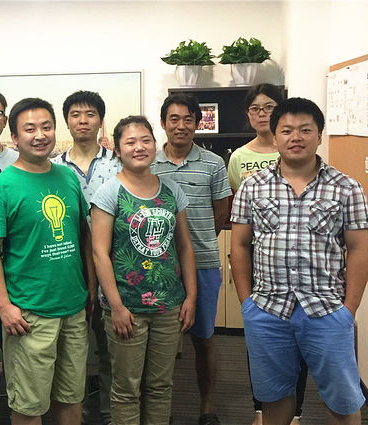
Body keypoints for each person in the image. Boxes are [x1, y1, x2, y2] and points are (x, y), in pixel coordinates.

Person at [231, 97, 368, 425]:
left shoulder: (347, 188)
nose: (296, 137)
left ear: (319, 134)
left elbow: (360, 250)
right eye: (287, 130)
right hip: (267, 311)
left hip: (327, 310)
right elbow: (239, 245)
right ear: (275, 136)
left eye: (305, 130)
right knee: (274, 399)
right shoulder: (252, 187)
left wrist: (348, 309)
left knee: (342, 401)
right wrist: (247, 304)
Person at [0, 97, 96, 425]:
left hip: (73, 308)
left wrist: (91, 287)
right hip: (29, 312)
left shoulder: (67, 177)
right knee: (29, 407)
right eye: (29, 129)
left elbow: (83, 234)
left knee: (71, 398)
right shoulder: (0, 186)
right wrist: (4, 307)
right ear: (14, 137)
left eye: (47, 127)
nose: (40, 135)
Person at [91, 115, 197, 425]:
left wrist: (191, 297)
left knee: (161, 386)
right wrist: (116, 306)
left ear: (154, 144)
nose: (139, 147)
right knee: (126, 389)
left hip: (169, 305)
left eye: (145, 140)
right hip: (127, 307)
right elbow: (100, 254)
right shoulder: (109, 193)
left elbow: (184, 247)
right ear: (117, 150)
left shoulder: (171, 190)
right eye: (130, 142)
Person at [227, 84, 306, 425]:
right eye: (255, 108)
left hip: (300, 266)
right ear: (248, 114)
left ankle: (296, 412)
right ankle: (262, 409)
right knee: (261, 343)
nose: (262, 114)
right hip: (260, 266)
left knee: (300, 342)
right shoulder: (239, 158)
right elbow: (240, 213)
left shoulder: (296, 148)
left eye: (269, 107)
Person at [152, 93, 231, 425]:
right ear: (163, 123)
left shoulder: (213, 163)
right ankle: (160, 411)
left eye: (188, 119)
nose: (181, 125)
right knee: (160, 342)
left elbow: (221, 211)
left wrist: (194, 242)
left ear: (198, 124)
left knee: (203, 338)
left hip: (202, 263)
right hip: (158, 267)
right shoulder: (149, 162)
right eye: (174, 119)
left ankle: (207, 408)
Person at [52, 90, 120, 425]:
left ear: (100, 120)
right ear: (66, 120)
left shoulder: (117, 163)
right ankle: (72, 413)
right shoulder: (53, 167)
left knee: (111, 346)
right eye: (76, 114)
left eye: (90, 114)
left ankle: (108, 412)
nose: (83, 121)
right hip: (66, 266)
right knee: (70, 349)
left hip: (112, 266)